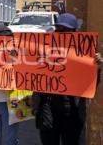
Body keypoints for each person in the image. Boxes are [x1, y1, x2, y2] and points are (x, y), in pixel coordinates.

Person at [33, 13, 102, 145]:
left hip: (72, 110)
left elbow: (91, 85)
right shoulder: (45, 49)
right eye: (58, 30)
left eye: (66, 31)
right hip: (47, 107)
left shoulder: (84, 54)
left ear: (75, 33)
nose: (61, 34)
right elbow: (30, 72)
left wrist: (96, 68)